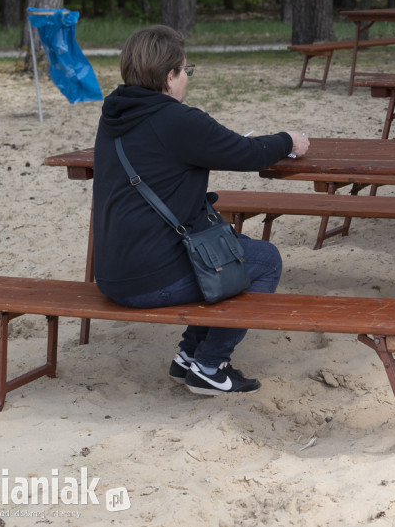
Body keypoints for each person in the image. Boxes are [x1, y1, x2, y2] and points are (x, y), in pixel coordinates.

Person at [92, 25, 310, 396]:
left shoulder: (114, 115)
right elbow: (248, 154)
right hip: (147, 280)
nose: (186, 80)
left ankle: (188, 356)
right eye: (185, 72)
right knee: (264, 261)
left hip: (112, 272)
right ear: (168, 77)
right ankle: (211, 365)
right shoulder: (177, 120)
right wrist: (289, 139)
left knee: (232, 253)